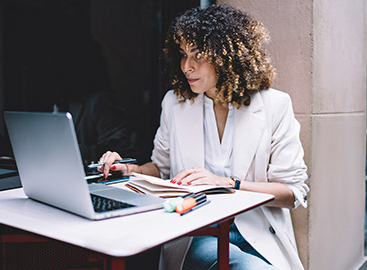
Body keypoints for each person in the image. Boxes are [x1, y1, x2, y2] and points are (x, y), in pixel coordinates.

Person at [98, 4, 309, 270]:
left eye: (198, 56)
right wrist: (129, 170)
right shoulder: (175, 105)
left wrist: (226, 183)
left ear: (228, 57)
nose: (187, 66)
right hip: (199, 231)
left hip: (259, 234)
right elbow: (161, 169)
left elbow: (292, 193)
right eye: (184, 55)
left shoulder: (274, 105)